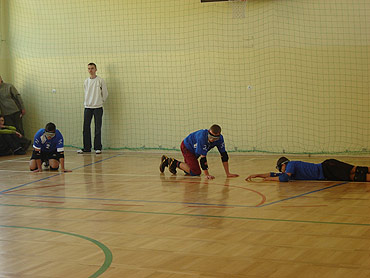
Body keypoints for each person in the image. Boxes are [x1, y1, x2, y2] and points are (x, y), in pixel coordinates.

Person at [160, 124, 239, 179]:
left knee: (189, 171)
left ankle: (167, 161)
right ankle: (173, 162)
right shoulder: (202, 138)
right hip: (187, 147)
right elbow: (203, 159)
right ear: (208, 132)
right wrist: (207, 175)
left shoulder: (220, 139)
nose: (212, 140)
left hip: (196, 149)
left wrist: (228, 173)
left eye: (215, 139)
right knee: (195, 172)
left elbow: (224, 156)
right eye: (211, 137)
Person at [245, 156, 370, 182]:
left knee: (358, 170)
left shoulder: (291, 165)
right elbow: (274, 175)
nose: (280, 171)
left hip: (327, 167)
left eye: (280, 168)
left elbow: (283, 178)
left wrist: (267, 180)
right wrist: (257, 175)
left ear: (284, 164)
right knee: (356, 177)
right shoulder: (289, 171)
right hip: (326, 175)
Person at [77, 63, 108, 154]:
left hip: (98, 107)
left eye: (92, 68)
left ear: (96, 69)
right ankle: (87, 148)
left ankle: (97, 147)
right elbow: (86, 92)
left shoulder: (100, 81)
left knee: (97, 128)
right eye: (89, 68)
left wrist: (100, 101)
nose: (90, 70)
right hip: (88, 107)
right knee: (86, 127)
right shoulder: (86, 81)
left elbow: (105, 93)